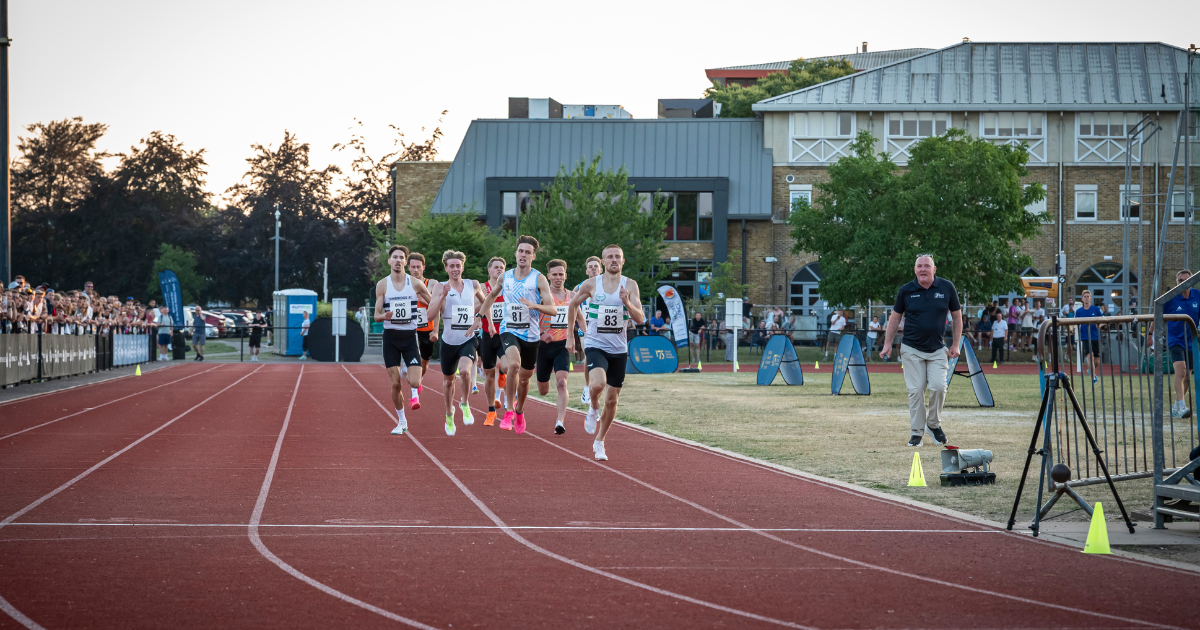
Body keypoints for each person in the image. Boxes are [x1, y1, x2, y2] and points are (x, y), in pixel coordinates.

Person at [567, 243, 646, 461]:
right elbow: (572, 305)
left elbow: (639, 318)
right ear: (603, 262)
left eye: (617, 257)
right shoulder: (592, 284)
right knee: (598, 384)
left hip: (619, 348)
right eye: (609, 256)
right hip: (595, 344)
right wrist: (570, 335)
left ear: (622, 261)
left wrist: (627, 302)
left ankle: (600, 441)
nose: (613, 260)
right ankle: (592, 407)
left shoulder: (630, 285)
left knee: (612, 400)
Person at [480, 235, 559, 435]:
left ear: (533, 256)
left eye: (527, 252)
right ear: (516, 253)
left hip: (531, 335)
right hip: (509, 329)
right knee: (513, 365)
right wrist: (481, 315)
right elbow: (490, 296)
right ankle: (508, 411)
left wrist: (534, 305)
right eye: (520, 251)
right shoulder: (505, 276)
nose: (523, 255)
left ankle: (520, 410)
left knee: (524, 380)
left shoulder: (538, 278)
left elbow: (552, 309)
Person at [880, 255, 961, 447]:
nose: (923, 269)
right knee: (915, 391)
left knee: (939, 387)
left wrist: (956, 344)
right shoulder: (906, 290)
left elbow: (957, 318)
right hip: (911, 349)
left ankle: (933, 425)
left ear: (934, 269)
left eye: (927, 266)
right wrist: (887, 343)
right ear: (914, 269)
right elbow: (894, 319)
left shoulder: (947, 287)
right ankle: (916, 433)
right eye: (919, 266)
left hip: (937, 350)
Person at [374, 245, 434, 435]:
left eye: (401, 257)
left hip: (409, 337)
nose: (398, 260)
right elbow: (376, 316)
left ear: (405, 262)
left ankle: (407, 367)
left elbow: (433, 303)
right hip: (391, 337)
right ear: (390, 261)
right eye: (395, 257)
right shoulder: (382, 285)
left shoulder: (415, 284)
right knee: (395, 384)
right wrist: (385, 316)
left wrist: (435, 303)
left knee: (415, 382)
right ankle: (402, 421)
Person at [425, 250, 485, 436]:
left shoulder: (472, 285)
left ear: (463, 267)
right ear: (446, 268)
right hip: (449, 341)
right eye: (451, 266)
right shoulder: (439, 287)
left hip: (468, 338)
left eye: (458, 265)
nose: (455, 269)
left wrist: (480, 319)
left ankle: (465, 404)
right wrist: (442, 296)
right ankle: (449, 413)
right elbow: (430, 315)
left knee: (466, 371)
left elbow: (486, 303)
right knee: (448, 381)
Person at [1149, 270, 1199, 418]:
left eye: (1186, 280)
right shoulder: (1171, 298)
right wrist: (1150, 334)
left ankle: (1177, 405)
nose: (1183, 283)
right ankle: (1181, 405)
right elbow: (1157, 315)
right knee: (1181, 370)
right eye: (1180, 281)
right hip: (1175, 340)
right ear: (1176, 282)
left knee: (1188, 377)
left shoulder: (1198, 295)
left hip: (1191, 341)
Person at [536, 259, 575, 435]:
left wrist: (583, 335)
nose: (558, 278)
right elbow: (530, 320)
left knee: (561, 383)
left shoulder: (572, 296)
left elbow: (579, 317)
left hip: (562, 345)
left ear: (565, 276)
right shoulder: (543, 296)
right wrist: (541, 334)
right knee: (543, 391)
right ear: (549, 276)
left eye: (561, 274)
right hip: (543, 346)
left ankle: (560, 421)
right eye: (555, 275)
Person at [479, 256, 511, 426]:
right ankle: (491, 411)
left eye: (502, 267)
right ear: (489, 270)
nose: (499, 270)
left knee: (507, 366)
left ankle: (502, 373)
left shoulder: (508, 289)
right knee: (488, 376)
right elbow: (477, 310)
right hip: (487, 335)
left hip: (505, 334)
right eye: (496, 267)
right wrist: (483, 299)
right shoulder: (483, 287)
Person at [408, 252, 440, 394]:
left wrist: (436, 331)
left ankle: (419, 378)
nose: (416, 270)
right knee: (413, 356)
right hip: (409, 329)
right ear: (408, 267)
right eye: (413, 267)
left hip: (427, 329)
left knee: (425, 362)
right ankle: (414, 392)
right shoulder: (404, 284)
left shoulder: (432, 284)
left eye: (418, 267)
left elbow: (437, 307)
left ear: (423, 267)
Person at [574, 256, 603, 404]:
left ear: (600, 269)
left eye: (595, 266)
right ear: (587, 271)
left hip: (604, 329)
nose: (593, 268)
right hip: (586, 328)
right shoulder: (580, 287)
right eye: (590, 266)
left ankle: (596, 388)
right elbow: (570, 303)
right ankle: (587, 386)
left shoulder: (607, 286)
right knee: (589, 355)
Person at [1075, 290, 1103, 384]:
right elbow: (1075, 323)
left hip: (1096, 337)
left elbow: (1103, 320)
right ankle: (1094, 377)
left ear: (1090, 298)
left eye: (1088, 296)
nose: (1086, 298)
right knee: (1089, 356)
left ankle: (1091, 371)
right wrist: (1073, 329)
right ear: (1082, 299)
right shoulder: (1079, 312)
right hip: (1086, 337)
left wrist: (1100, 324)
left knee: (1097, 361)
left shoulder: (1096, 309)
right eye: (1085, 296)